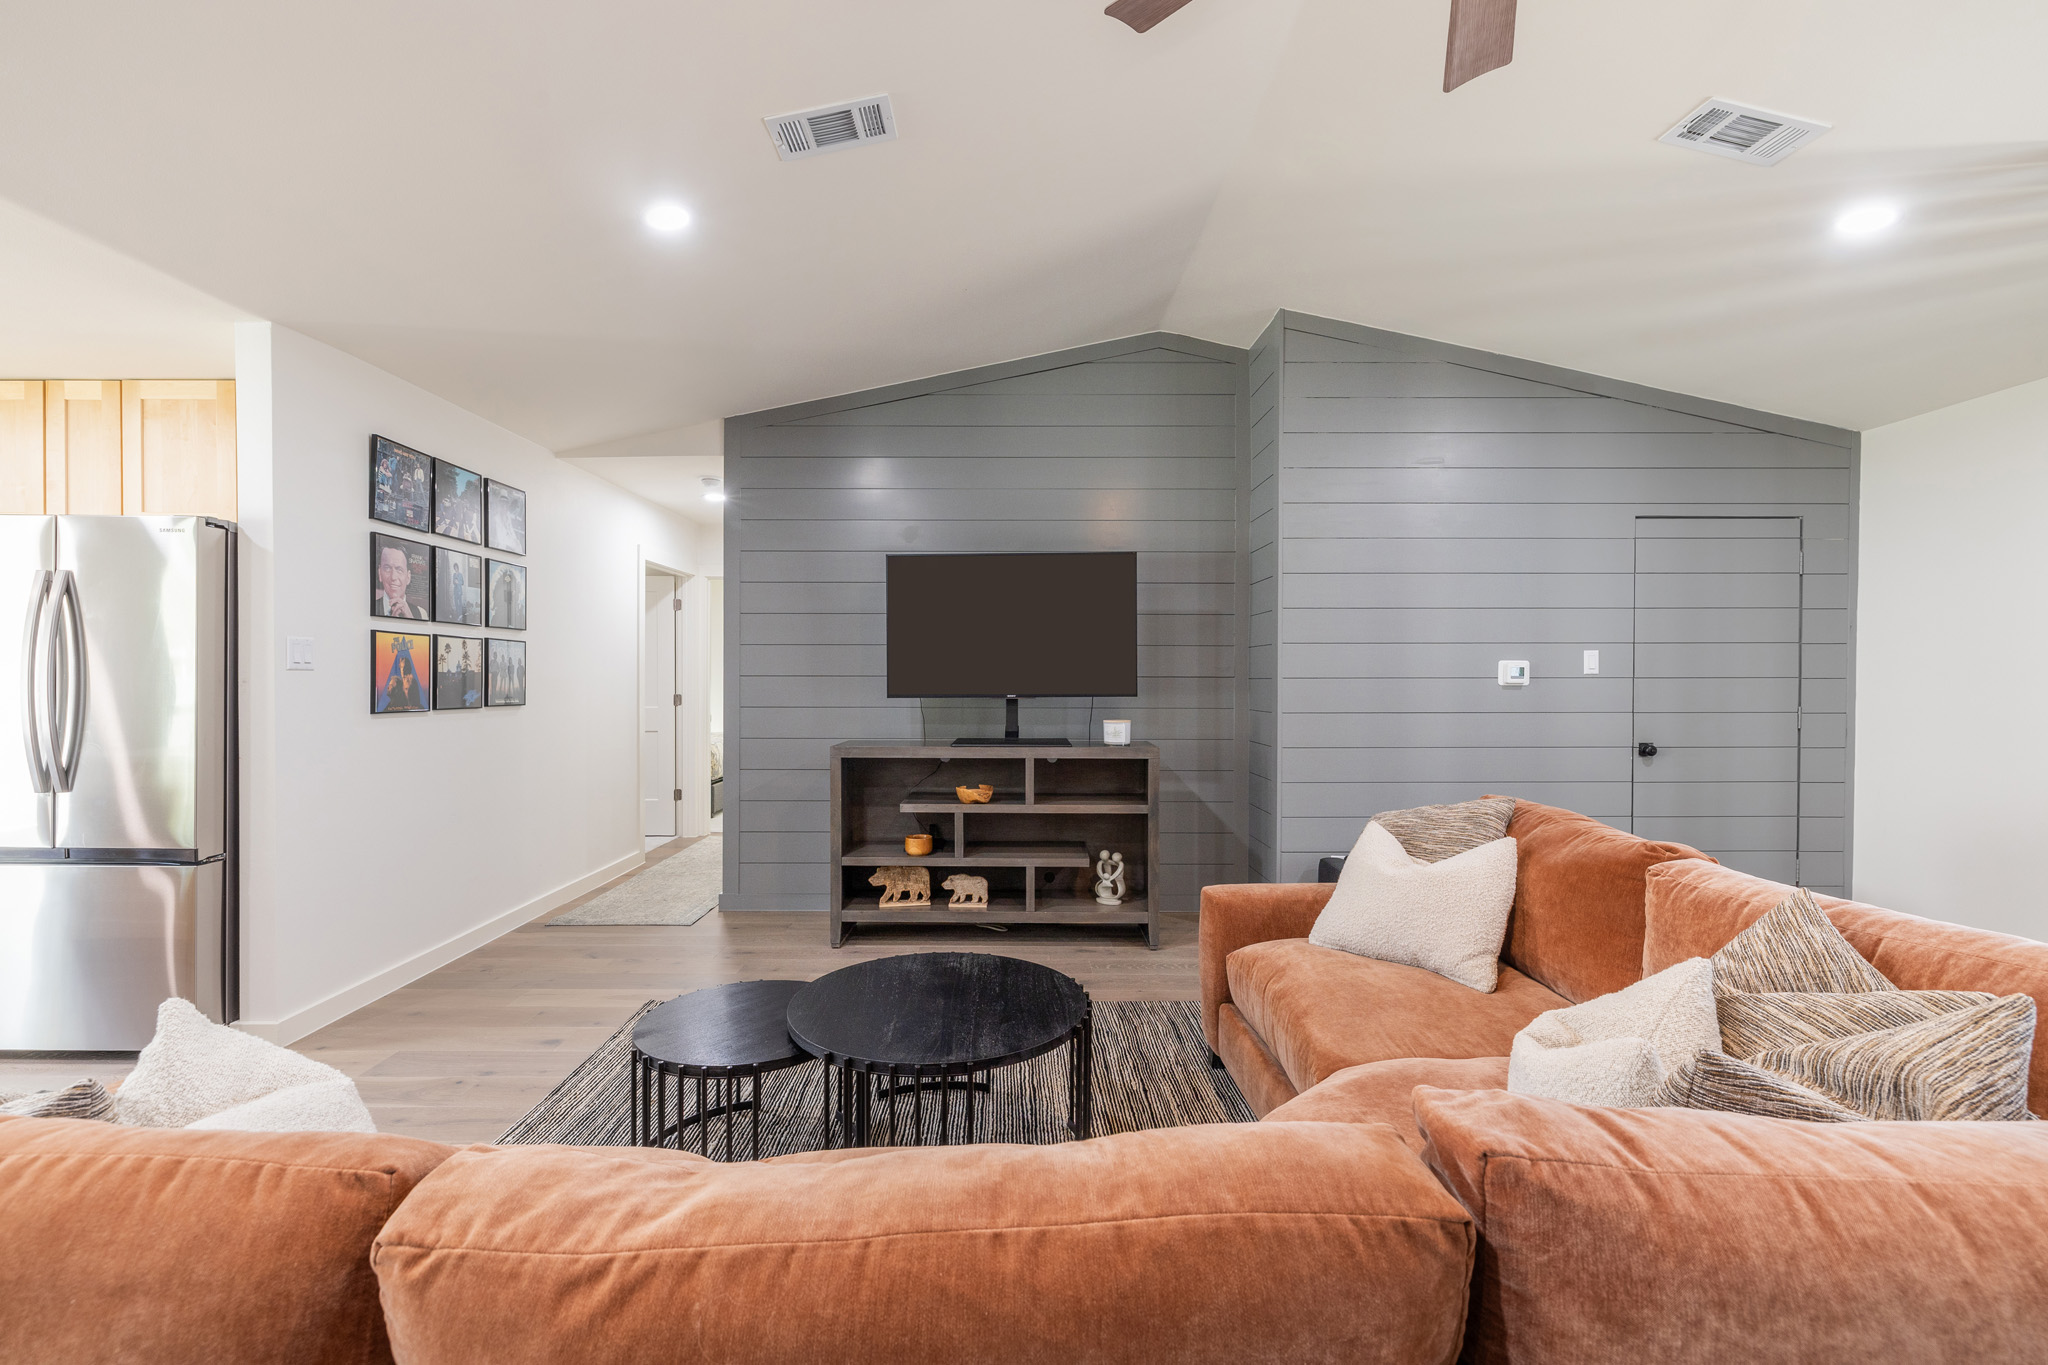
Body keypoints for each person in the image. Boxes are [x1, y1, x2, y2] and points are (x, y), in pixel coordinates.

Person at [375, 545, 424, 618]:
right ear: (380, 573)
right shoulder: (368, 607)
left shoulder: (421, 614)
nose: (393, 577)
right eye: (387, 568)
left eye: (399, 570)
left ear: (408, 577)